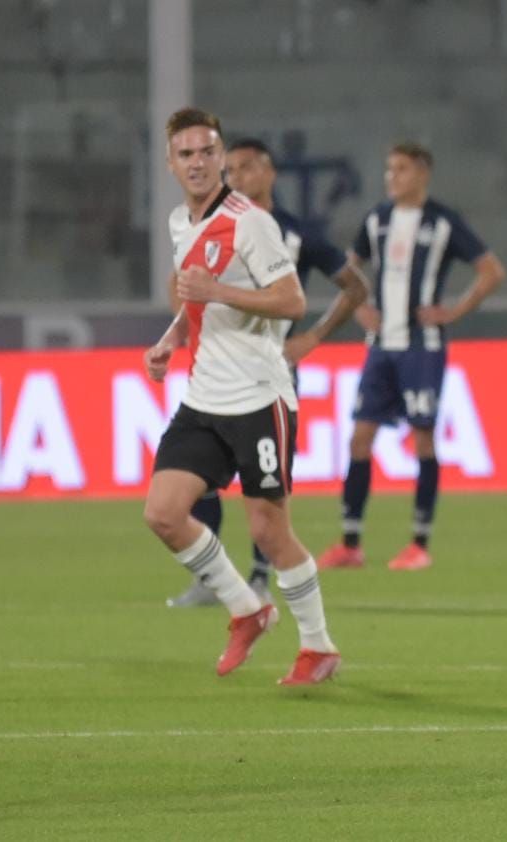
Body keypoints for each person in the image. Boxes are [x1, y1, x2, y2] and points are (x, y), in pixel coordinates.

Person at [142, 107, 341, 685]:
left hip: (259, 396)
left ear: (221, 156)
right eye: (186, 154)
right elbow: (195, 303)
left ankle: (318, 646)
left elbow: (292, 300)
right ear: (172, 164)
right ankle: (247, 610)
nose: (198, 163)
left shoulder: (249, 221)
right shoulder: (182, 222)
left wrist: (217, 290)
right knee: (163, 513)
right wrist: (169, 341)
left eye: (207, 152)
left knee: (268, 531)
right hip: (205, 395)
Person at [166, 137, 368, 608]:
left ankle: (259, 576)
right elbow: (181, 282)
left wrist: (313, 338)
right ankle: (211, 579)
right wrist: (182, 330)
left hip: (267, 374)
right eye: (231, 168)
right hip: (213, 372)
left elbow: (354, 287)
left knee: (265, 491)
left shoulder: (296, 234)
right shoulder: (211, 225)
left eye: (248, 167)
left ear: (270, 172)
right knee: (196, 476)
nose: (238, 176)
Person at [316, 142, 506, 572]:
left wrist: (453, 311)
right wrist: (361, 310)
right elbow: (349, 270)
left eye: (400, 169)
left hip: (424, 347)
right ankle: (350, 543)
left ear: (422, 173)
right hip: (381, 347)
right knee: (359, 439)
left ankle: (418, 544)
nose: (391, 177)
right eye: (388, 169)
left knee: (422, 438)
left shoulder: (443, 222)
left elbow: (492, 270)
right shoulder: (377, 219)